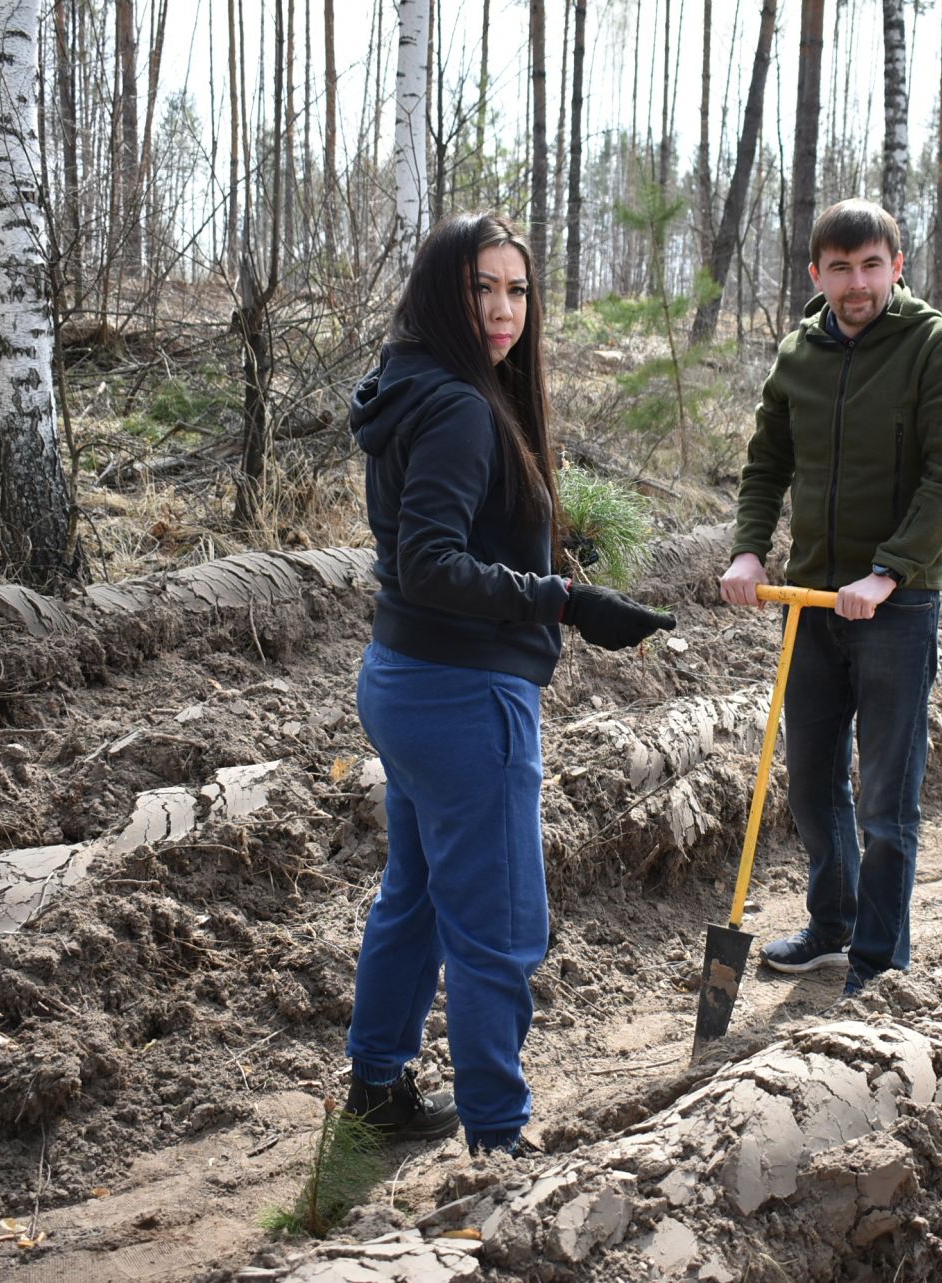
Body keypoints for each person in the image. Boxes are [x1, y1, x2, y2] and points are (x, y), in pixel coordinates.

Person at [343, 212, 675, 1155]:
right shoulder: (455, 405)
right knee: (498, 923)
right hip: (460, 694)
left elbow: (440, 546)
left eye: (517, 289)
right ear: (443, 290)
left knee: (413, 892)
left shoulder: (411, 381)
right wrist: (565, 600)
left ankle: (376, 1088)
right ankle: (498, 1138)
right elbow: (431, 561)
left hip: (402, 679)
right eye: (480, 287)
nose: (502, 309)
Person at [719, 198, 942, 996]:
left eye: (872, 265)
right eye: (840, 267)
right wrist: (749, 548)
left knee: (886, 796)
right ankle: (831, 924)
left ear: (896, 266)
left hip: (895, 606)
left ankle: (878, 961)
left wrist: (889, 570)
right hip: (812, 602)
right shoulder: (798, 354)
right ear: (817, 273)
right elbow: (767, 464)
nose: (857, 282)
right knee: (810, 780)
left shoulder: (937, 349)